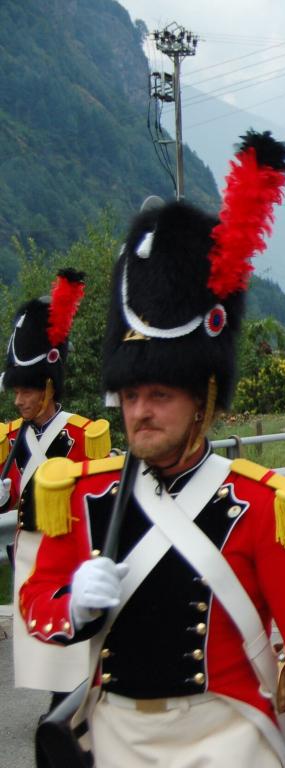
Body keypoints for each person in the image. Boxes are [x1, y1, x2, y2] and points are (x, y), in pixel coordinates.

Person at [20, 132, 285, 767]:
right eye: (129, 393)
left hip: (229, 740)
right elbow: (35, 604)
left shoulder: (263, 506)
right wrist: (73, 603)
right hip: (118, 740)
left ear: (203, 396)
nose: (140, 411)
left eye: (160, 393)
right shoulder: (85, 496)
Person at [0, 270, 110, 724]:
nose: (20, 400)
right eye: (17, 390)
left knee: (71, 639)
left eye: (27, 389)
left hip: (67, 549)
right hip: (24, 548)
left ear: (48, 384)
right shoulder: (7, 438)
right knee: (39, 642)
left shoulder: (86, 434)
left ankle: (70, 705)